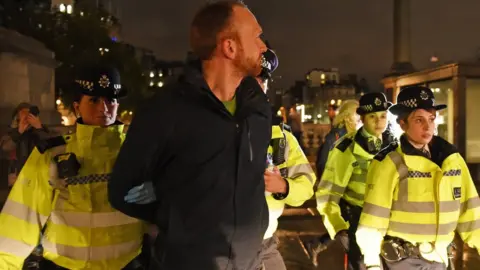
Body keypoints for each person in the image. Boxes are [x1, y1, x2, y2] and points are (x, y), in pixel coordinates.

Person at [108, 1, 271, 269]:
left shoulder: (259, 108)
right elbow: (122, 192)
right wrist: (176, 211)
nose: (263, 46)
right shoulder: (165, 109)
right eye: (256, 36)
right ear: (229, 47)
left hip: (249, 263)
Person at [0, 66, 145, 269]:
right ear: (77, 107)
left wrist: (159, 196)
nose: (103, 108)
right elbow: (21, 220)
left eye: (110, 100)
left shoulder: (139, 153)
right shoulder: (51, 154)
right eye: (94, 100)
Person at [356, 86, 480, 270]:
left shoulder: (453, 161)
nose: (428, 126)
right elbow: (374, 219)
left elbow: (471, 212)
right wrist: (372, 263)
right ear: (403, 124)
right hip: (403, 262)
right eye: (419, 120)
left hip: (440, 259)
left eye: (431, 119)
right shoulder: (389, 163)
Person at [315, 92, 396, 270]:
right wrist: (338, 227)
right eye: (372, 116)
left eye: (383, 116)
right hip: (357, 221)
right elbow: (328, 192)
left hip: (390, 223)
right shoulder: (347, 148)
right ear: (362, 118)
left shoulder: (394, 145)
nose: (379, 121)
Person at [253, 48, 315, 269]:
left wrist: (284, 186)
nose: (257, 87)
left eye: (262, 82)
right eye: (250, 80)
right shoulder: (215, 129)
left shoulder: (281, 137)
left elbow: (307, 184)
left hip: (265, 244)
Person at [1, 103, 50, 187]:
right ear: (16, 119)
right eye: (23, 116)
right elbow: (6, 147)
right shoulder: (12, 133)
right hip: (17, 178)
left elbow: (50, 147)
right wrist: (19, 131)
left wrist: (39, 128)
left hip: (37, 178)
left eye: (29, 115)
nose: (27, 119)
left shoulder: (41, 131)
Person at [315, 100, 360, 184]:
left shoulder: (352, 134)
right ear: (347, 116)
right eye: (357, 114)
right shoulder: (338, 136)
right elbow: (323, 164)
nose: (360, 118)